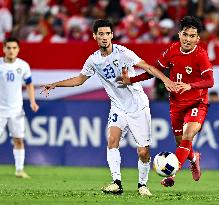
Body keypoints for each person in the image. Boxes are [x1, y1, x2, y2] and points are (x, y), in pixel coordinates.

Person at [40, 19, 177, 195]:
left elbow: (148, 67)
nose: (105, 37)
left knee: (143, 152)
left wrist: (165, 80)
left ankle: (142, 185)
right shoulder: (93, 60)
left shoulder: (123, 53)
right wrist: (55, 84)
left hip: (138, 106)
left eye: (107, 34)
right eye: (101, 34)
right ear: (95, 36)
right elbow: (80, 80)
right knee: (112, 141)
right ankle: (117, 182)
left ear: (112, 35)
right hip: (118, 107)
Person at [119, 16, 214, 187]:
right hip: (176, 104)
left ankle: (172, 174)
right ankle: (194, 158)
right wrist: (131, 80)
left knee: (188, 135)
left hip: (197, 103)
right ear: (179, 34)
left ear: (198, 39)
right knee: (181, 142)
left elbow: (209, 81)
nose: (188, 39)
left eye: (192, 36)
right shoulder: (172, 50)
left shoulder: (201, 55)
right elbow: (153, 71)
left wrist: (190, 85)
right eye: (185, 34)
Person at [0, 37, 39, 178]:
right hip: (0, 110)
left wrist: (32, 101)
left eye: (14, 48)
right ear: (4, 48)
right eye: (8, 48)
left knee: (18, 139)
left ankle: (19, 170)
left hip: (16, 110)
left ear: (18, 49)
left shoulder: (23, 66)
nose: (11, 51)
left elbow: (29, 84)